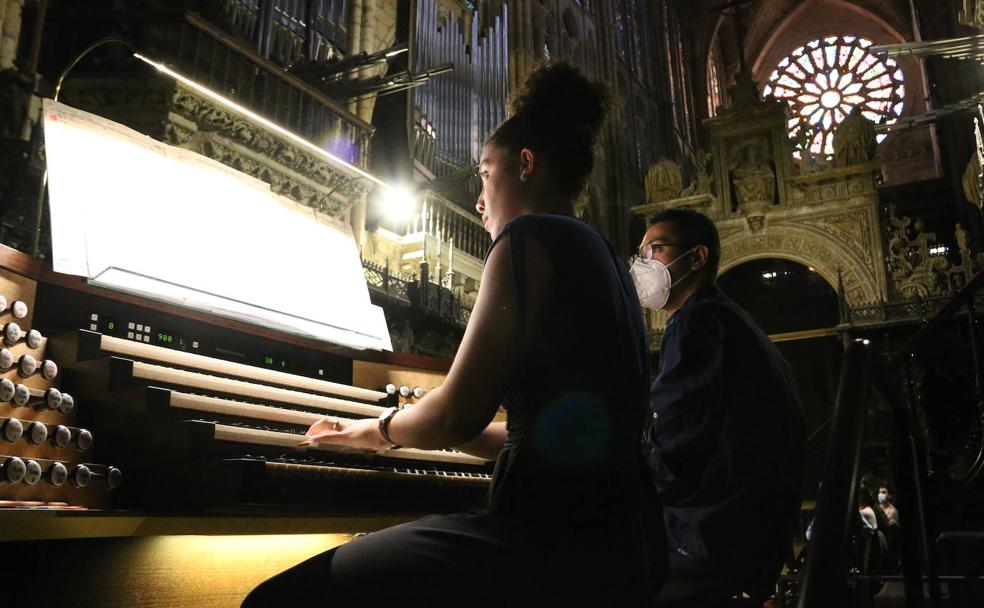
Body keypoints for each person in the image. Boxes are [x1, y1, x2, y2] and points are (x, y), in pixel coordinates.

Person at [242, 62, 664, 608]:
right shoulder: (603, 255)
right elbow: (546, 438)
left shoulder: (527, 238)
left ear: (526, 165)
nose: (479, 200)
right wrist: (441, 428)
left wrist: (377, 430)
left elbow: (456, 414)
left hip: (545, 545)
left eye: (485, 174)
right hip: (626, 542)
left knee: (278, 600)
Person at [629, 208, 806, 606]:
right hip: (746, 534)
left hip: (710, 540)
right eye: (640, 254)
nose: (643, 265)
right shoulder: (726, 319)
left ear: (697, 257)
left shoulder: (700, 322)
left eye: (655, 249)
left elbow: (676, 447)